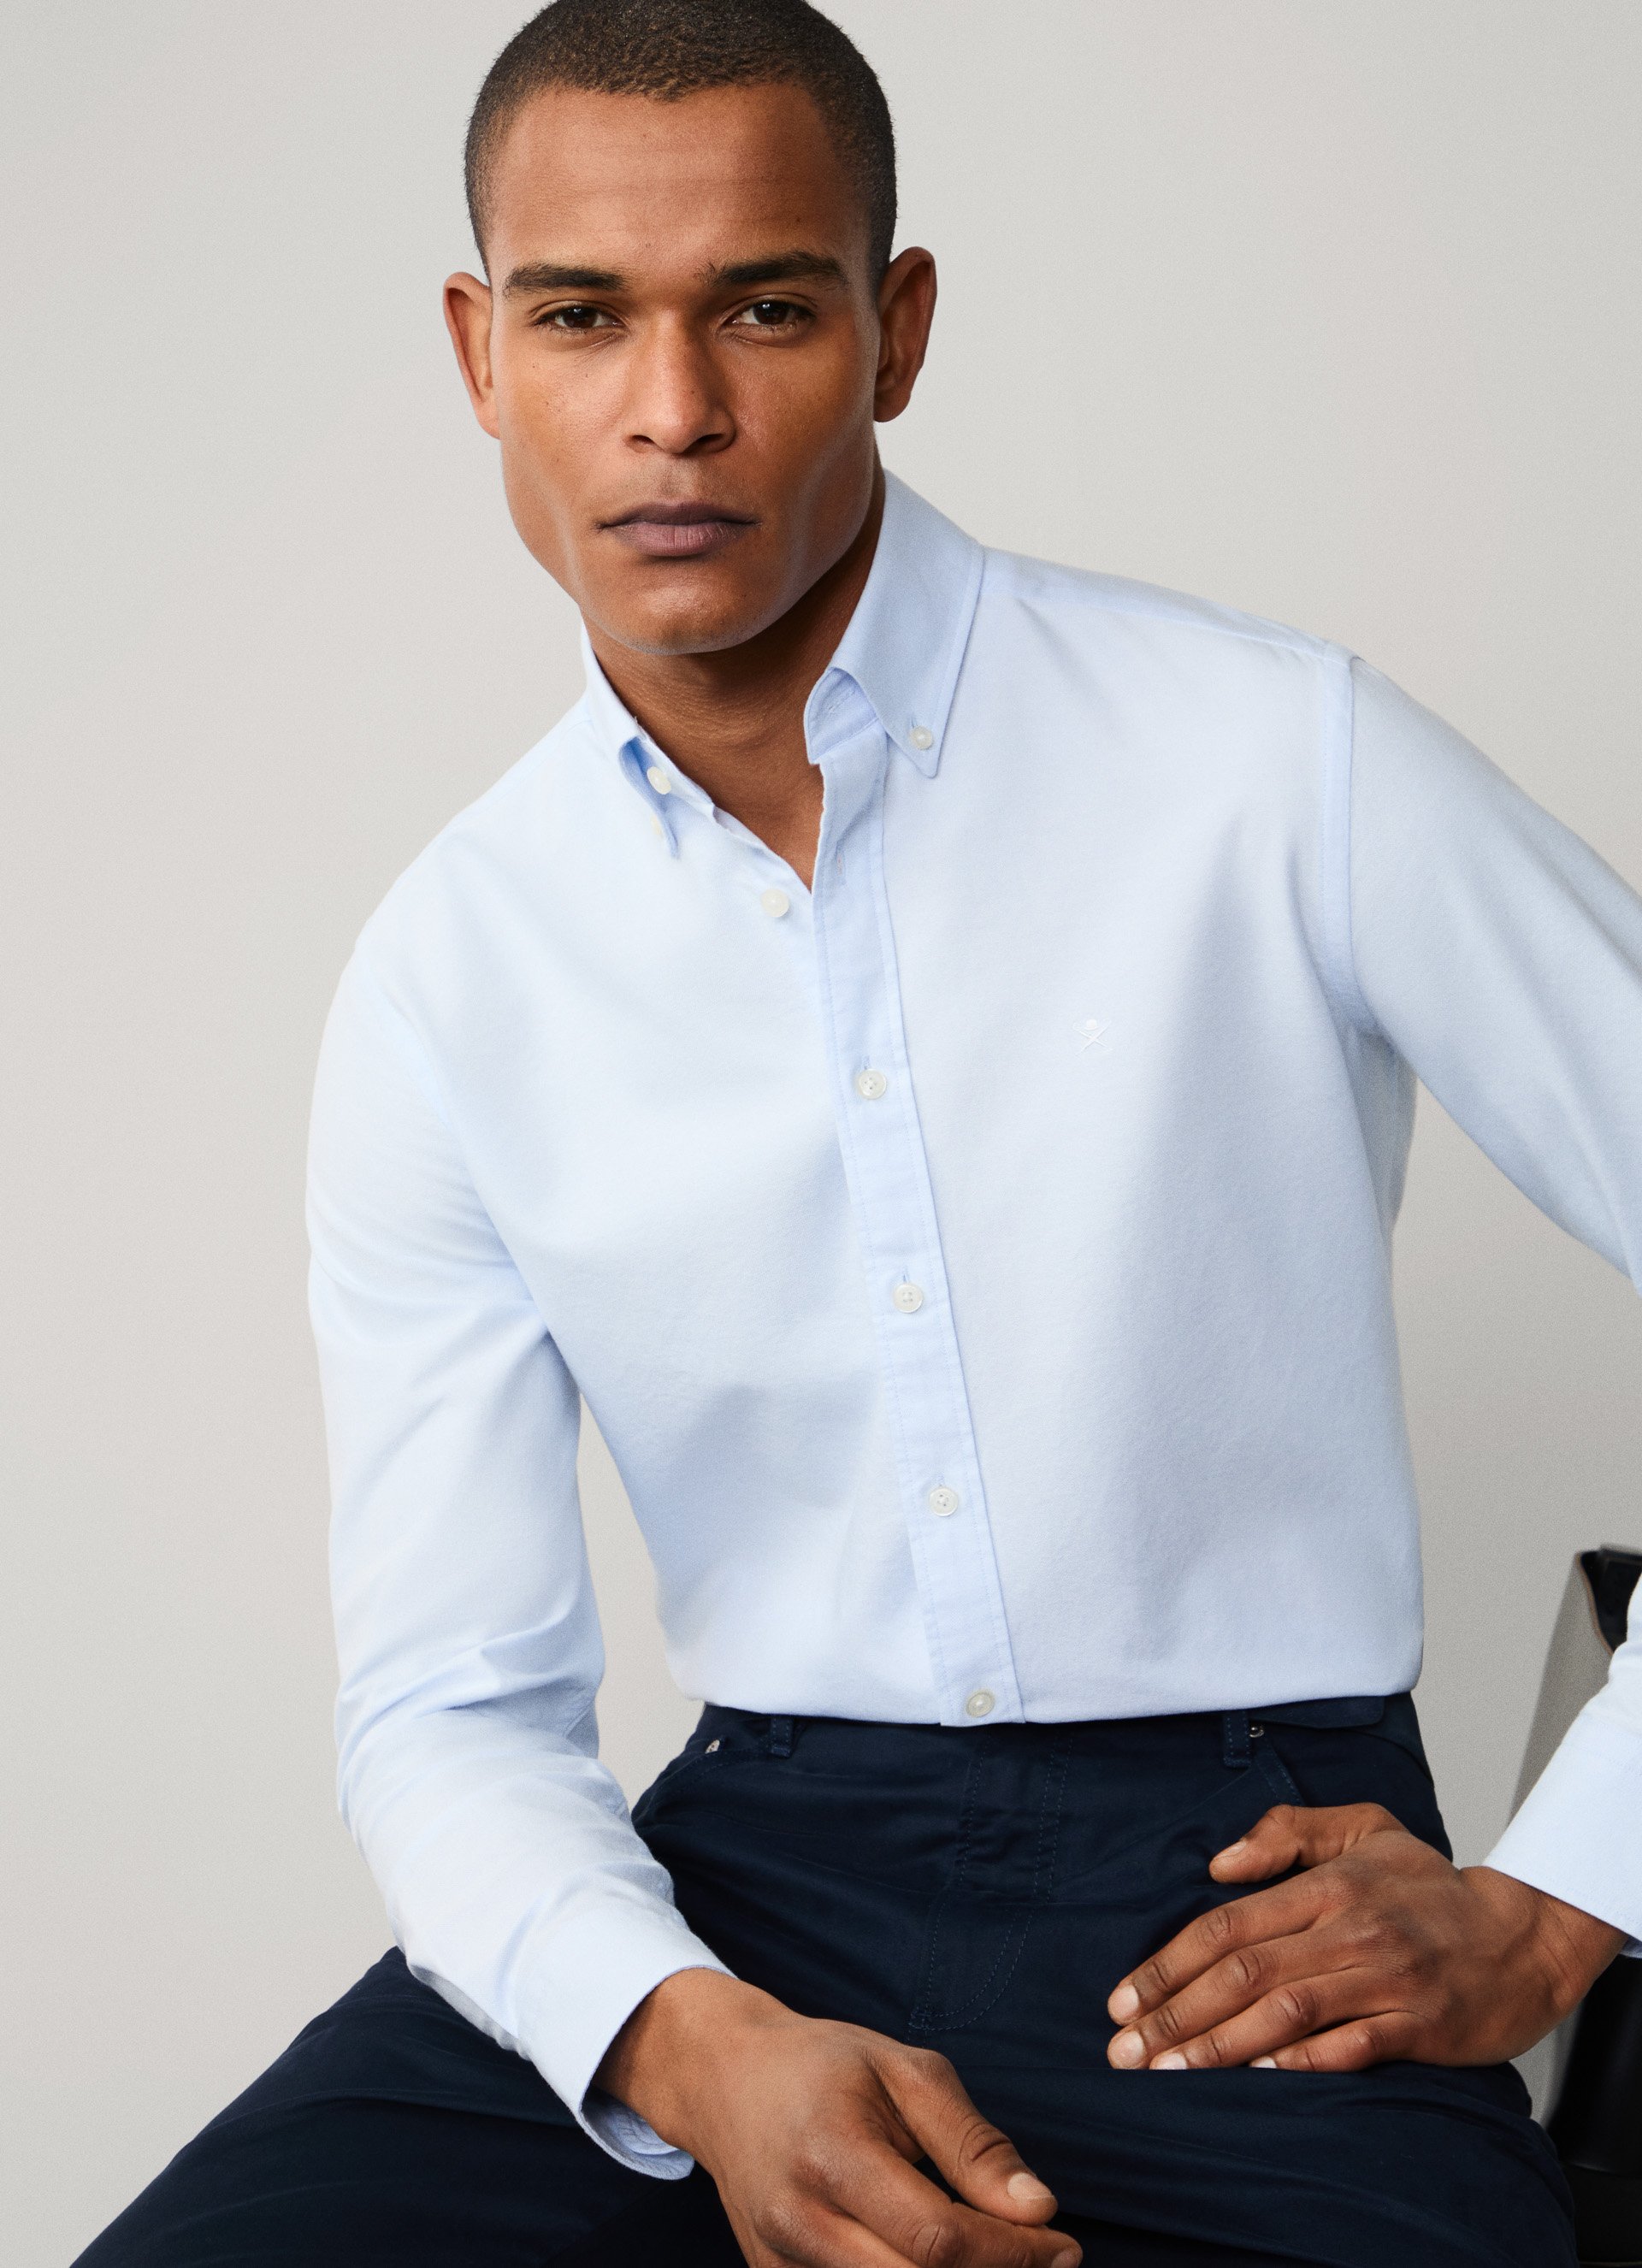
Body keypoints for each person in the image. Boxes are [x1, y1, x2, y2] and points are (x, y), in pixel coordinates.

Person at [79, 2, 1642, 2263]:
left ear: (895, 331)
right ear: (481, 354)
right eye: (582, 316)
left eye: (765, 309)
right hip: (738, 1889)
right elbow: (448, 1704)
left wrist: (1560, 1895)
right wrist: (686, 2039)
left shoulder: (1271, 762)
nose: (672, 410)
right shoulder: (454, 969)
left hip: (1241, 1888)